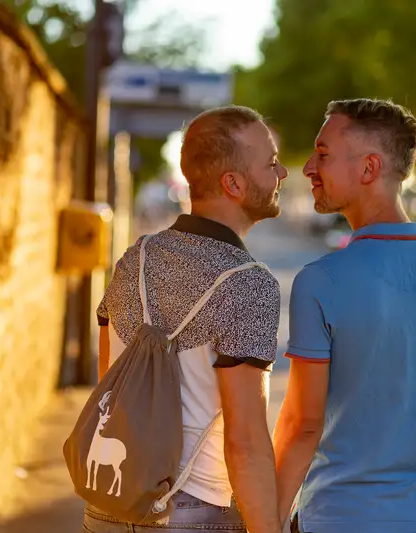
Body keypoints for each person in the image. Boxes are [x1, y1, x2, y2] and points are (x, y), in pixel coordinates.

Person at [273, 99, 416, 533]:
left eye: (322, 154)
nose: (307, 167)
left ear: (369, 169)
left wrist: (267, 521)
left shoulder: (321, 282)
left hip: (337, 521)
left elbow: (302, 425)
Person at [90, 106, 288, 533]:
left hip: (110, 503)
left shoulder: (135, 258)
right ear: (233, 183)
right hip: (194, 512)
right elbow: (246, 442)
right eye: (271, 163)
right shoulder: (248, 283)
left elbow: (109, 380)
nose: (283, 173)